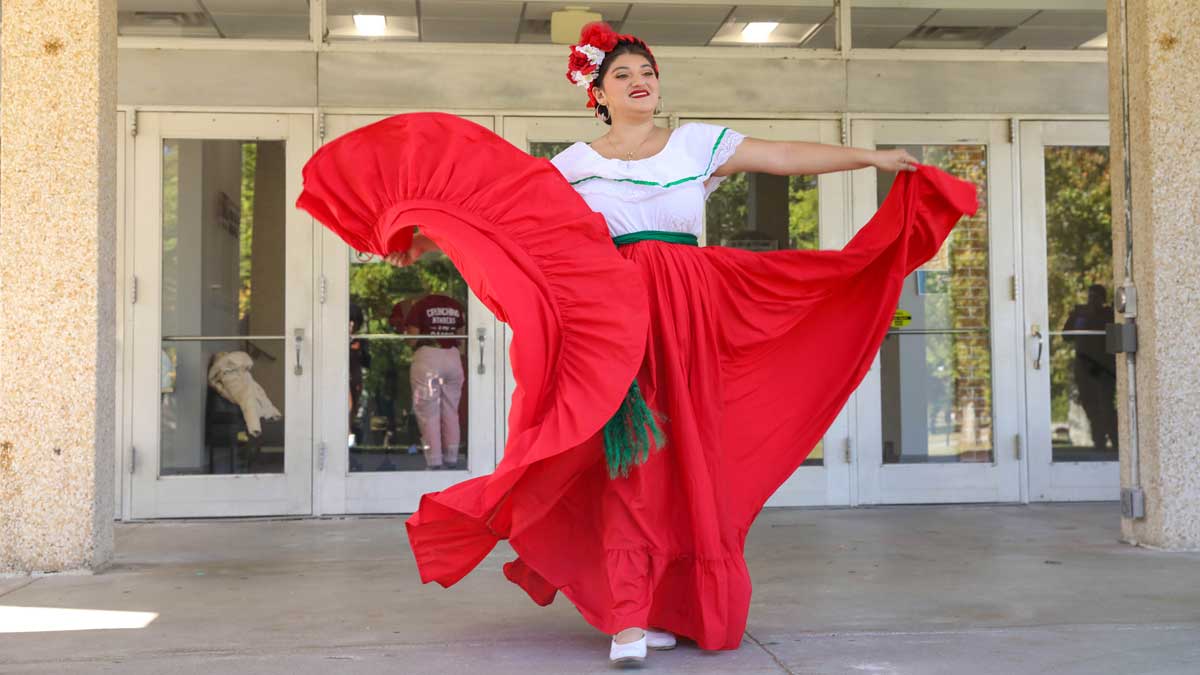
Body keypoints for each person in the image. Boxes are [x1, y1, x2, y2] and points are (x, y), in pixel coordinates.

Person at [297, 21, 976, 666]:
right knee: (630, 457)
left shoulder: (694, 146)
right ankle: (626, 612)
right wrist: (424, 233)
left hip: (692, 312)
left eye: (647, 71)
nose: (639, 81)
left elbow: (782, 156)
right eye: (622, 73)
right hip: (611, 319)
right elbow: (509, 226)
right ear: (598, 94)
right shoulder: (572, 166)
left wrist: (874, 157)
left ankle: (669, 606)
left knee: (686, 460)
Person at [400, 292, 467, 470]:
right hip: (452, 357)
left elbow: (412, 340)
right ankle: (452, 457)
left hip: (428, 356)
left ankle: (434, 461)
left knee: (428, 412)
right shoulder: (456, 306)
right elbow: (460, 337)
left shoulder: (420, 306)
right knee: (451, 411)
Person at [1062, 284, 1118, 453]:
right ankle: (1099, 441)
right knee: (1090, 404)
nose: (1092, 300)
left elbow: (1115, 339)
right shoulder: (1080, 313)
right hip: (1084, 364)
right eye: (1090, 296)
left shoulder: (1109, 314)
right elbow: (1066, 335)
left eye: (1096, 297)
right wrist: (1080, 317)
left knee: (1106, 405)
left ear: (1103, 299)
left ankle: (1116, 441)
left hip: (1104, 367)